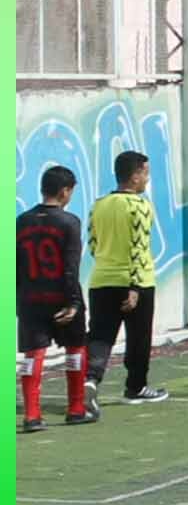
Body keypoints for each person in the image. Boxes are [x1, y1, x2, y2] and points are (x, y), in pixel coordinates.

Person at [84, 148, 167, 405]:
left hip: (101, 280)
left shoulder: (99, 205)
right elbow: (139, 247)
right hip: (135, 281)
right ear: (135, 176)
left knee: (100, 335)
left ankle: (91, 379)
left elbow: (93, 244)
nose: (147, 179)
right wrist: (134, 286)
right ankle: (136, 387)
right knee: (139, 337)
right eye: (145, 174)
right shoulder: (139, 206)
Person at [18, 164, 95, 432]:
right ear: (65, 191)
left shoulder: (22, 221)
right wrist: (74, 302)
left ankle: (31, 415)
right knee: (75, 349)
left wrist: (18, 300)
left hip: (30, 299)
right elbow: (71, 266)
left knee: (32, 355)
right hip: (61, 297)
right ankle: (76, 409)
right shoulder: (69, 222)